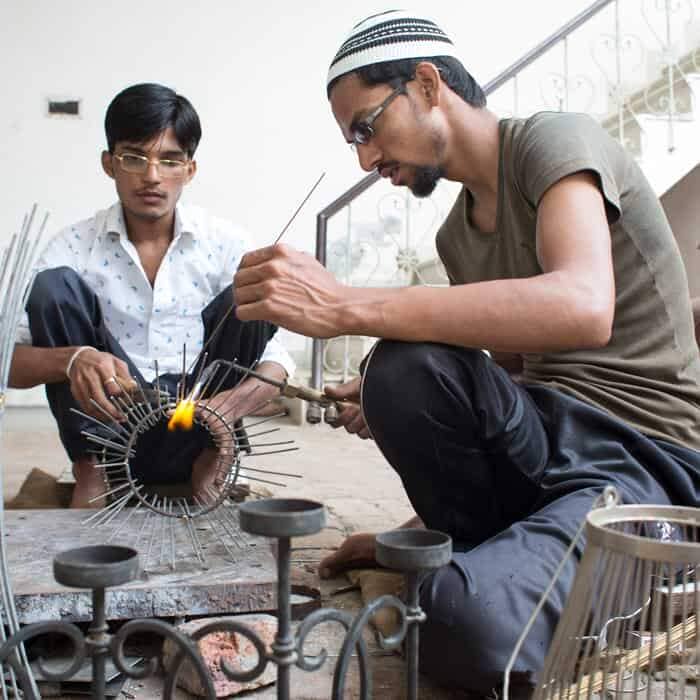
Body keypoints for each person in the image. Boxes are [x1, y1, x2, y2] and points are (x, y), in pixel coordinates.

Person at [231, 9, 700, 695]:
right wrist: (412, 507)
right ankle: (494, 545)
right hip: (547, 438)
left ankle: (657, 558)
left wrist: (342, 306)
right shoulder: (457, 234)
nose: (366, 158)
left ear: (426, 85)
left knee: (463, 627)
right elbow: (503, 372)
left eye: (367, 127)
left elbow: (582, 305)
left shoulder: (553, 140)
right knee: (400, 367)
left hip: (642, 461)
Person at [10, 83, 294, 509]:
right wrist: (71, 359)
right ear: (109, 164)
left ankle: (206, 460)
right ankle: (93, 470)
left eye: (169, 160)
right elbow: (6, 364)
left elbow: (280, 359)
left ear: (190, 169)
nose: (152, 176)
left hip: (195, 422)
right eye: (133, 157)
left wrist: (231, 406)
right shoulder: (71, 247)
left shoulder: (224, 242)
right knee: (53, 286)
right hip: (111, 426)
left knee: (257, 284)